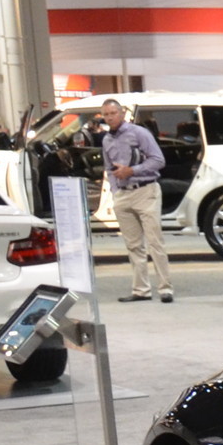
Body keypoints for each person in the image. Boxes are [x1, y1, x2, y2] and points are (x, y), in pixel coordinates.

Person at [98, 98, 171, 303]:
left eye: (113, 113)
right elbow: (108, 167)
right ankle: (141, 290)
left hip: (145, 190)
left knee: (155, 241)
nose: (110, 117)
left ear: (122, 113)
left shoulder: (139, 133)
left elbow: (158, 160)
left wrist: (132, 170)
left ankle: (165, 288)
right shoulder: (106, 140)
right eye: (106, 114)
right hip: (123, 194)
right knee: (133, 245)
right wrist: (114, 190)